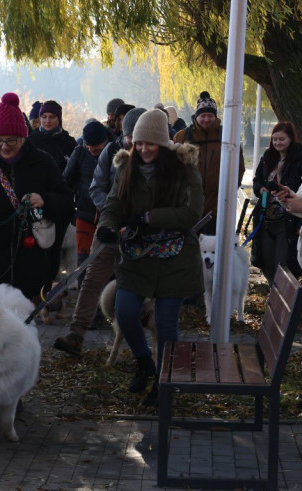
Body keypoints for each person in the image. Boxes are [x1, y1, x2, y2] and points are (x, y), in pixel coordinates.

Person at [95, 108, 203, 406]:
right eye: (139, 143)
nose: (143, 149)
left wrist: (149, 217)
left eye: (150, 144)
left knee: (166, 324)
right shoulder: (126, 166)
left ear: (164, 144)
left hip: (175, 258)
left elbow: (191, 213)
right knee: (125, 311)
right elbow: (114, 202)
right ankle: (145, 363)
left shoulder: (184, 169)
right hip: (137, 255)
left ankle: (166, 384)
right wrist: (106, 226)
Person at [0, 93, 74, 307]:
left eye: (12, 140)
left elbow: (66, 201)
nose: (5, 146)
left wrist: (44, 199)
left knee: (21, 328)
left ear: (24, 137)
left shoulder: (42, 162)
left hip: (28, 261)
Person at [54, 107, 147, 357]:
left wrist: (142, 220)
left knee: (140, 285)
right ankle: (77, 333)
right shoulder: (111, 151)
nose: (135, 143)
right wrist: (111, 214)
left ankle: (144, 345)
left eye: (140, 137)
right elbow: (97, 187)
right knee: (92, 278)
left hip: (145, 234)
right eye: (131, 137)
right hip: (108, 228)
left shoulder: (160, 156)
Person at [173, 91, 245, 236]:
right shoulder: (182, 136)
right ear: (196, 116)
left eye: (210, 115)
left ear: (216, 116)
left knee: (212, 251)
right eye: (203, 115)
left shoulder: (227, 136)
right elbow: (172, 168)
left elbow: (238, 167)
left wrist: (229, 192)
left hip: (217, 206)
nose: (206, 119)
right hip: (188, 205)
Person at [250, 121, 302, 283]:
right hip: (265, 217)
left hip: (287, 219)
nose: (277, 143)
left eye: (282, 139)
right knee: (266, 261)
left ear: (291, 139)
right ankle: (274, 292)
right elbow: (257, 180)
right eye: (275, 139)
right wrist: (261, 190)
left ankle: (284, 300)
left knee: (284, 263)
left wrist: (284, 191)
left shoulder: (299, 160)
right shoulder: (268, 157)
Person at [62, 120, 111, 267]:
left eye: (95, 146)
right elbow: (65, 182)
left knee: (105, 259)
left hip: (107, 214)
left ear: (104, 141)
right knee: (83, 260)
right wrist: (70, 209)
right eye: (88, 145)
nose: (91, 149)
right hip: (84, 214)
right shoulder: (80, 152)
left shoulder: (114, 151)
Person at [29, 100, 78, 172]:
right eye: (44, 117)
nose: (47, 121)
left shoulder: (69, 142)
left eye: (52, 117)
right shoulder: (31, 141)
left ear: (59, 118)